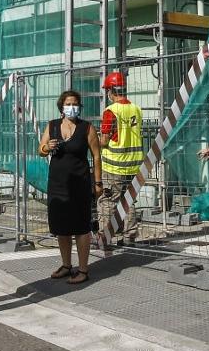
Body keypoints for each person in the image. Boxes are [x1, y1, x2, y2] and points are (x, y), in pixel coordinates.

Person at [39, 90, 103, 284]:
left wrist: (98, 183)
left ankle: (83, 269)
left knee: (81, 226)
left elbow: (97, 156)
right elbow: (40, 150)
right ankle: (66, 265)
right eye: (68, 104)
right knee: (62, 227)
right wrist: (46, 148)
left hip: (80, 183)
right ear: (61, 107)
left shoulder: (87, 128)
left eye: (75, 103)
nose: (72, 107)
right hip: (57, 184)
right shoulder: (52, 126)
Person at [97, 70, 143, 247]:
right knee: (129, 201)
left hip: (114, 166)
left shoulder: (110, 112)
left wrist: (93, 139)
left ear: (111, 91)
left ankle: (104, 237)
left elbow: (105, 140)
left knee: (108, 201)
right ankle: (129, 237)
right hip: (133, 165)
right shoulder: (136, 109)